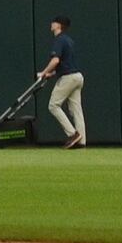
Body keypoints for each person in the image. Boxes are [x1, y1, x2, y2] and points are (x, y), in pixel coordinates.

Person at [39, 14, 87, 148]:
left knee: (53, 105)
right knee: (76, 109)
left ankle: (73, 134)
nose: (51, 24)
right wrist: (50, 73)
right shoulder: (69, 40)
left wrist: (43, 72)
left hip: (68, 78)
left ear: (58, 25)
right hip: (77, 77)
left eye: (54, 22)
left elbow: (56, 60)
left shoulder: (59, 40)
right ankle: (82, 142)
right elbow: (65, 63)